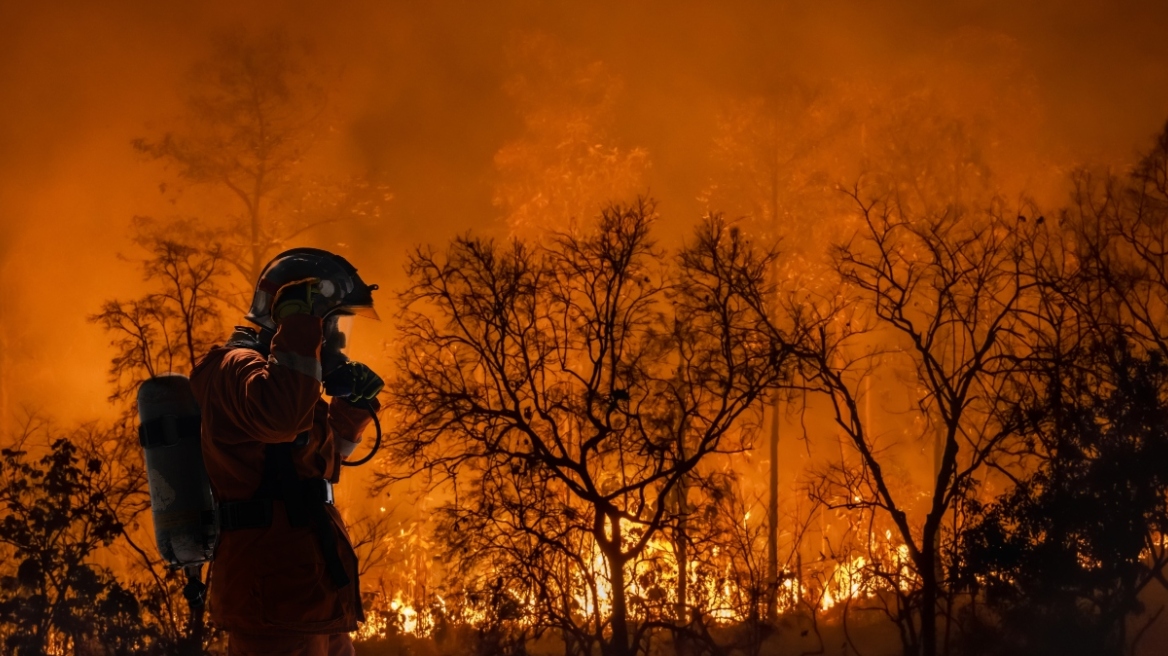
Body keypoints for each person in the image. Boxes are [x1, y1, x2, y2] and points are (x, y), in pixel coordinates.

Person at [190, 248, 384, 656]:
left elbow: (313, 475)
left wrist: (351, 413)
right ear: (288, 312)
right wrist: (300, 330)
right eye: (330, 321)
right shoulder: (235, 368)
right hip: (272, 602)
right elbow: (280, 422)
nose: (337, 337)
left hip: (311, 597)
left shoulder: (283, 376)